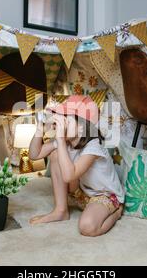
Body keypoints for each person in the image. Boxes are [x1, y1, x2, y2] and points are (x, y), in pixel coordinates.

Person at [28, 95, 125, 237]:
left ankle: (116, 213)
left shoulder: (94, 147)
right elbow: (34, 154)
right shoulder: (66, 142)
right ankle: (60, 211)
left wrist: (60, 140)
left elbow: (69, 175)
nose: (60, 123)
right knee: (56, 155)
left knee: (87, 227)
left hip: (104, 196)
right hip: (82, 193)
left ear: (81, 128)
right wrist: (40, 129)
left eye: (65, 118)